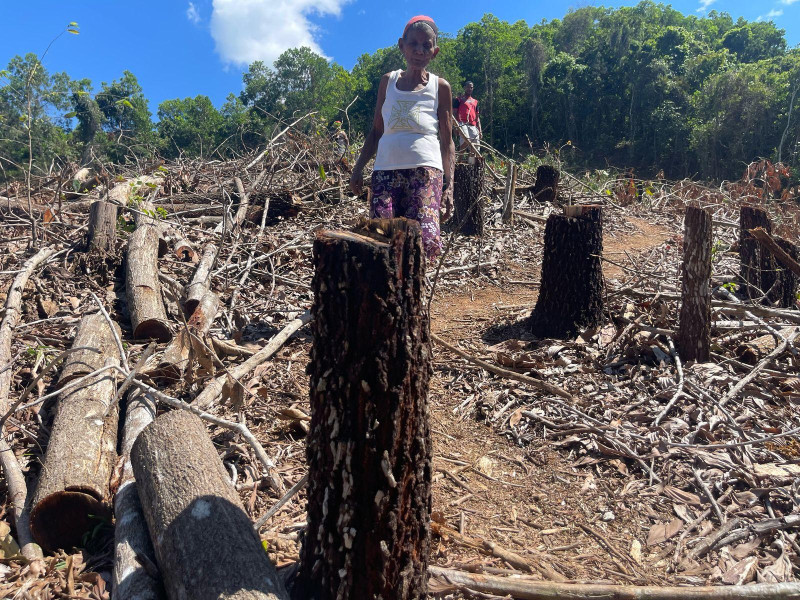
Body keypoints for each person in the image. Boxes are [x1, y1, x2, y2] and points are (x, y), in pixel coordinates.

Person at [349, 15, 454, 261]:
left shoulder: (440, 87)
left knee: (425, 243)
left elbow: (447, 141)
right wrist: (358, 169)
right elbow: (376, 131)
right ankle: (388, 298)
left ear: (434, 51)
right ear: (401, 46)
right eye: (413, 44)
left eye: (426, 45)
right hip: (385, 171)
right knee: (382, 242)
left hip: (426, 173)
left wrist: (450, 187)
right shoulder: (388, 82)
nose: (419, 50)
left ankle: (416, 297)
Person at [454, 81, 482, 151]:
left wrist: (480, 130)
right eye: (468, 87)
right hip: (462, 123)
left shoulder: (475, 102)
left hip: (472, 125)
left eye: (471, 87)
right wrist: (455, 127)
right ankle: (460, 158)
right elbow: (454, 114)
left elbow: (477, 117)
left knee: (475, 145)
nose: (470, 89)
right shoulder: (459, 100)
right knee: (466, 140)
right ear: (465, 88)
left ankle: (472, 161)